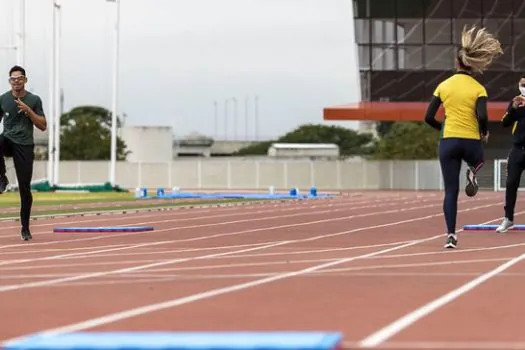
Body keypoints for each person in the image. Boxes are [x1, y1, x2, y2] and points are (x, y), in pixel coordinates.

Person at [424, 25, 502, 249]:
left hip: (448, 141)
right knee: (479, 161)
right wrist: (483, 131)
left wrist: (442, 128)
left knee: (450, 191)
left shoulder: (443, 86)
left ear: (457, 63)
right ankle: (473, 171)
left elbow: (428, 117)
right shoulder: (478, 88)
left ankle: (450, 235)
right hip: (470, 141)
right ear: (473, 64)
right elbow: (483, 115)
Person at [0, 65, 47, 241]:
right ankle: (2, 177)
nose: (16, 81)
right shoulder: (3, 99)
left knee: (25, 189)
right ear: (9, 81)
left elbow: (42, 126)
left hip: (25, 145)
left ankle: (25, 228)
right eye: (13, 79)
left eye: (19, 78)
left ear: (25, 80)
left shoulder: (34, 100)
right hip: (7, 139)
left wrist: (28, 111)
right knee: (1, 139)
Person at [495, 81, 525, 233]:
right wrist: (513, 108)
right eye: (521, 84)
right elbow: (505, 122)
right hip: (518, 149)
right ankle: (508, 218)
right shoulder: (516, 101)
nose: (523, 87)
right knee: (511, 183)